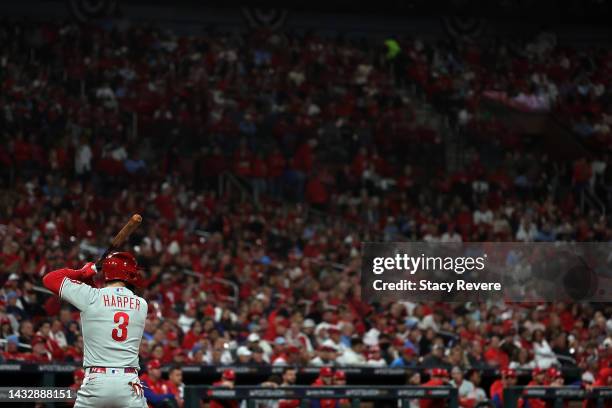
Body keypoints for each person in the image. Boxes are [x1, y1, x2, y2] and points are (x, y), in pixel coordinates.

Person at [42, 252, 148, 408]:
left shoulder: (91, 297)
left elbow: (49, 279)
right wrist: (89, 282)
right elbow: (108, 306)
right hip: (129, 383)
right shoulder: (142, 304)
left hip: (96, 382)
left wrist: (82, 272)